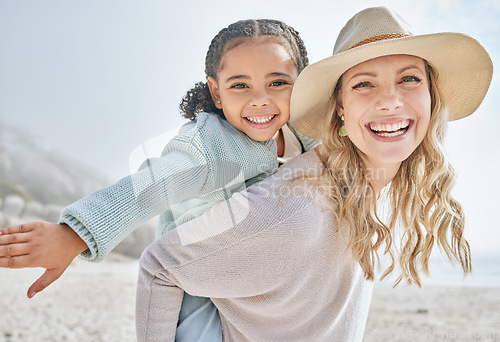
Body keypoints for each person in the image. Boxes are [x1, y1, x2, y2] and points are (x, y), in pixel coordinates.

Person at [135, 6, 493, 341]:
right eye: (364, 84)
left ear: (431, 96)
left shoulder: (360, 179)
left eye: (410, 79)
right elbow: (159, 266)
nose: (390, 101)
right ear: (339, 106)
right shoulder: (298, 206)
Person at [0, 19, 316, 341]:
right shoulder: (210, 147)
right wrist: (74, 235)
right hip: (195, 278)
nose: (260, 99)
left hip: (256, 274)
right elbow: (152, 185)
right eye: (240, 85)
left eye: (277, 83)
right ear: (217, 93)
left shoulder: (305, 135)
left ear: (301, 84)